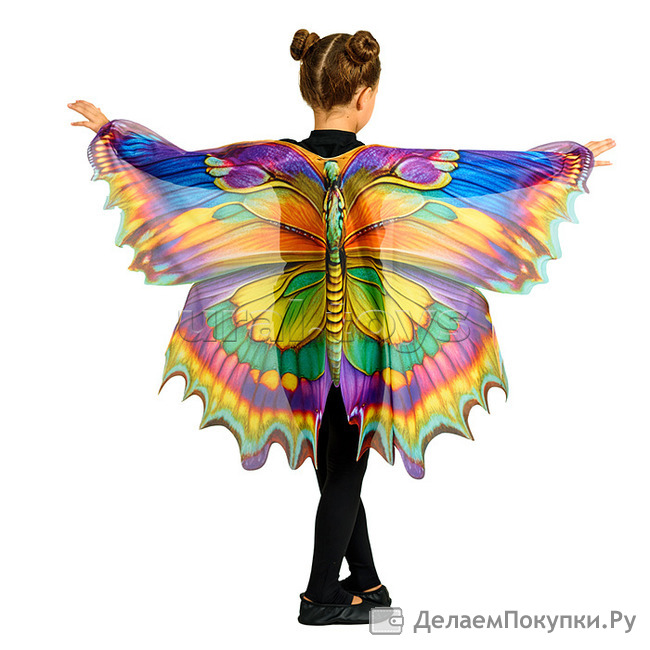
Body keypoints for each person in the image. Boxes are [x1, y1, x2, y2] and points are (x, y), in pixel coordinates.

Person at [68, 28, 615, 628]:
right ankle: (319, 598)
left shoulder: (267, 161)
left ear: (309, 91)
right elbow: (489, 174)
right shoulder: (391, 168)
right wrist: (564, 164)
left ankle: (369, 584)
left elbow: (181, 168)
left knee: (335, 462)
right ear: (365, 98)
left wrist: (113, 136)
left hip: (290, 334)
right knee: (346, 463)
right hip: (370, 337)